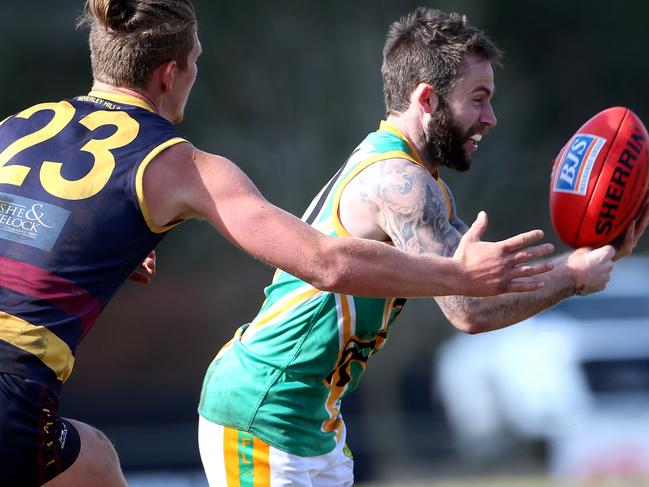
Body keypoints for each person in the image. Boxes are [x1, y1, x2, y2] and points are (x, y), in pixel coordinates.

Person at [0, 2, 558, 486]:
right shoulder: (179, 163)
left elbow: (31, 222)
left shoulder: (19, 125)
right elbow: (326, 262)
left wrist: (100, 243)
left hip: (299, 421)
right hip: (16, 396)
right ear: (171, 74)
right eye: (197, 64)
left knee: (93, 459)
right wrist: (462, 276)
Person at [196, 7, 649, 486]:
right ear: (427, 99)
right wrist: (574, 279)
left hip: (311, 420)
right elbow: (468, 308)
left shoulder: (415, 178)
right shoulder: (401, 182)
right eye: (478, 99)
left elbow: (483, 280)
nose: (491, 118)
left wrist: (581, 262)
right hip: (262, 410)